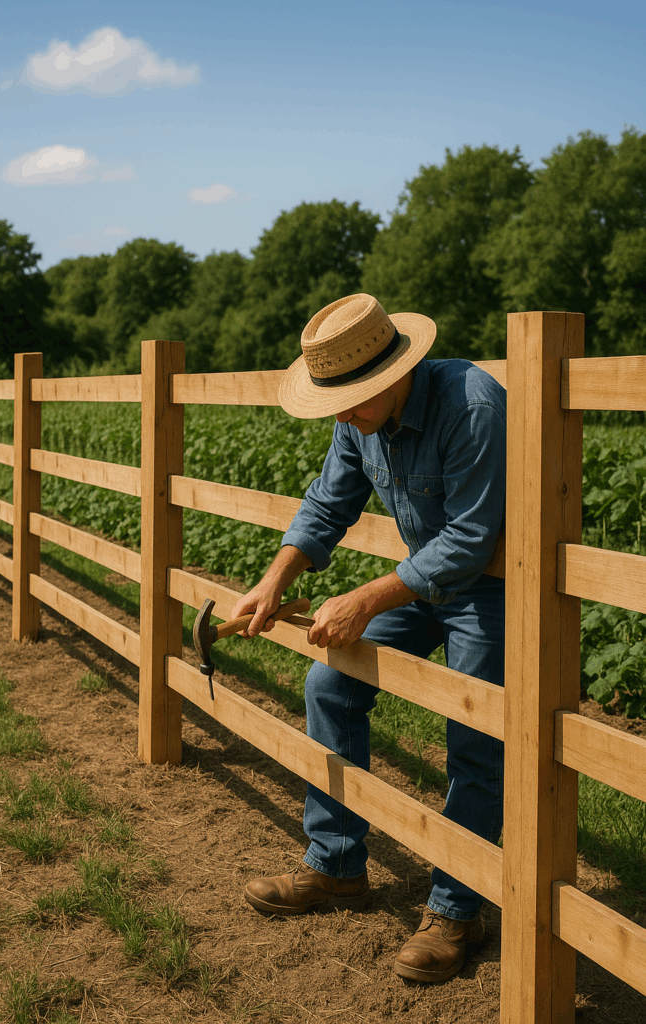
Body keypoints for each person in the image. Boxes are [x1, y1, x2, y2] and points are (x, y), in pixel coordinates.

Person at [230, 293, 506, 984]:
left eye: (349, 402)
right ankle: (336, 865)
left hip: (494, 587)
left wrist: (363, 598)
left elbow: (472, 540)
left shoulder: (471, 404)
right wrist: (273, 579)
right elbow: (328, 502)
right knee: (330, 683)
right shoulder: (359, 416)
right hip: (419, 583)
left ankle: (457, 910)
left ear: (392, 375)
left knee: (474, 733)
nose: (341, 416)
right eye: (333, 403)